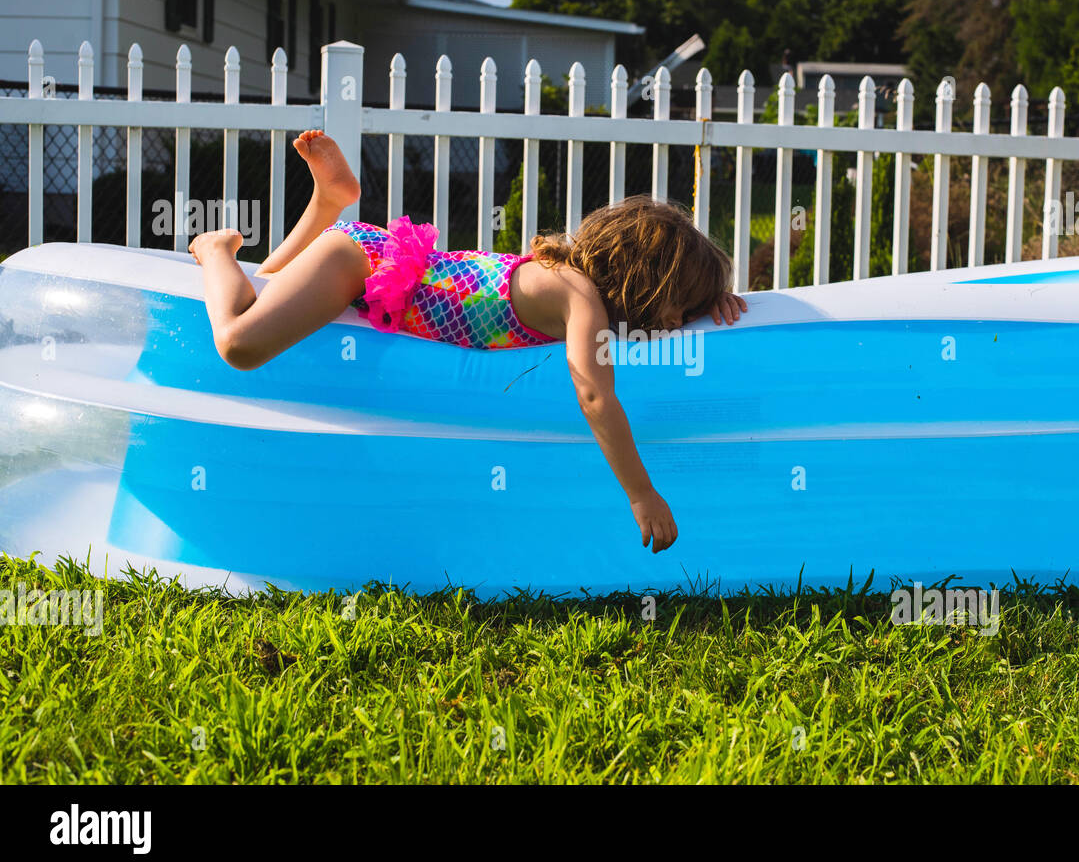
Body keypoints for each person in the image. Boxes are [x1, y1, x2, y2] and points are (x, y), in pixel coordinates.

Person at [188, 130, 748, 552]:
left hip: (379, 262)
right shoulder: (581, 300)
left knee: (266, 293)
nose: (681, 321)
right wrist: (641, 493)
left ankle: (330, 201)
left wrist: (713, 300)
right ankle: (216, 247)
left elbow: (654, 323)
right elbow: (596, 396)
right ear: (644, 282)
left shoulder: (575, 282)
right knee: (239, 342)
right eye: (682, 302)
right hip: (358, 263)